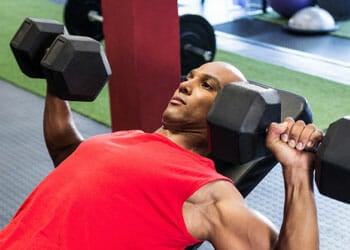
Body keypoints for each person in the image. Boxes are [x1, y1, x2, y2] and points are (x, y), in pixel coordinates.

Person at [0, 61, 322, 249]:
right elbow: (66, 151)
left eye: (206, 86)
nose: (184, 85)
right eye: (190, 77)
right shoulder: (129, 137)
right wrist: (58, 80)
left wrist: (296, 171)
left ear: (230, 111)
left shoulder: (205, 189)